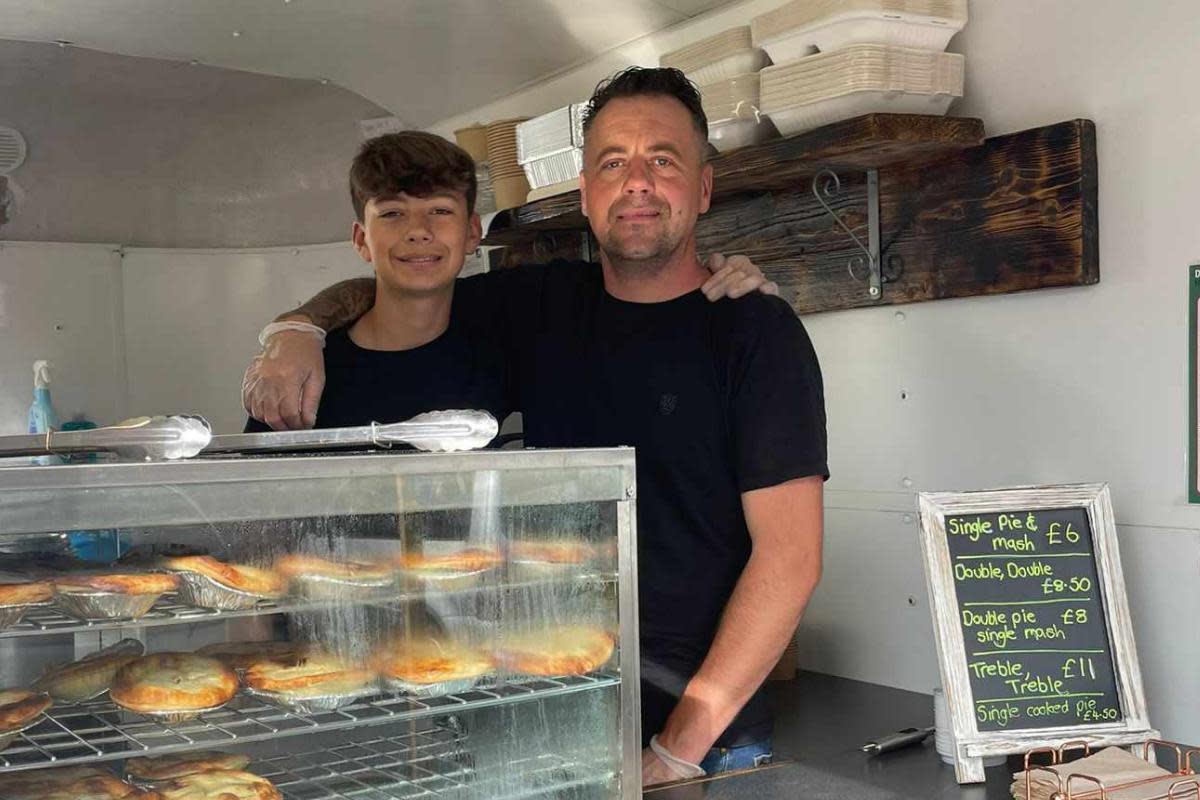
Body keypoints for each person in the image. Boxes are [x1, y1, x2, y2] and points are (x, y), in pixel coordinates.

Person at [243, 67, 825, 785]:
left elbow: (791, 557)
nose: (636, 182)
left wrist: (679, 746)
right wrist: (295, 327)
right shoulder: (540, 306)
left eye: (663, 161)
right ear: (585, 193)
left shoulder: (753, 330)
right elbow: (409, 274)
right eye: (613, 163)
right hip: (550, 715)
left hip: (706, 742)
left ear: (702, 188)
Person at [245, 131, 508, 433]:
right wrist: (293, 331)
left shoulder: (501, 335)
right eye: (392, 213)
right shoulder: (302, 371)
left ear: (472, 232)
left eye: (440, 210)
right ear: (361, 239)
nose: (418, 231)